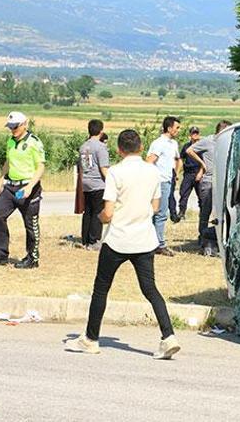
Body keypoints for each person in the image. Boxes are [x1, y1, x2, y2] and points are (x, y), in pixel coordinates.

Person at [65, 129, 181, 359]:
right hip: (145, 239)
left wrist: (100, 219)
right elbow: (156, 206)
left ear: (119, 149)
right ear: (140, 147)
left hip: (118, 239)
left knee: (101, 289)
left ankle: (90, 339)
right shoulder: (152, 171)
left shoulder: (116, 173)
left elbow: (107, 212)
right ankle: (168, 337)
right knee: (150, 289)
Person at [0, 112, 45, 269]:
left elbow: (41, 167)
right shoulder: (10, 141)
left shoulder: (34, 142)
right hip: (10, 187)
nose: (13, 130)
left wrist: (30, 187)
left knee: (30, 224)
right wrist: (0, 182)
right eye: (10, 127)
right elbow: (7, 163)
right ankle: (0, 254)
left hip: (28, 188)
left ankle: (32, 258)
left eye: (15, 127)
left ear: (25, 124)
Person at [187, 120, 231, 256]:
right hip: (209, 181)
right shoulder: (208, 141)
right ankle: (203, 240)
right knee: (205, 211)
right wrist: (203, 165)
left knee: (223, 211)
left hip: (223, 181)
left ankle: (220, 239)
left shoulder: (228, 142)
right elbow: (190, 150)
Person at [146, 116, 182, 256]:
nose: (178, 130)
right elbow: (149, 160)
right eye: (177, 127)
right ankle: (158, 245)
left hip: (167, 181)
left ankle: (155, 243)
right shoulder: (159, 143)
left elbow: (178, 160)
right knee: (159, 214)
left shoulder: (173, 144)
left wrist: (176, 173)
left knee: (160, 213)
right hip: (158, 182)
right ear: (169, 128)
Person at [79, 119, 110, 250]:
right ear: (101, 131)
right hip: (98, 183)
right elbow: (104, 168)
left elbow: (84, 166)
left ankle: (85, 239)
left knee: (88, 211)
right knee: (97, 212)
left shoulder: (84, 146)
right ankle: (94, 240)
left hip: (86, 182)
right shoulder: (100, 147)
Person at [176, 126, 203, 220]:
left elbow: (205, 162)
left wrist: (200, 173)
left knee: (202, 196)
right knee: (183, 194)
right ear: (190, 135)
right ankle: (182, 213)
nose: (195, 135)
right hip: (188, 173)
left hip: (199, 172)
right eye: (193, 133)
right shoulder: (186, 146)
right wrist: (177, 172)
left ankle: (203, 215)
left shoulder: (202, 146)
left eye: (197, 133)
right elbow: (180, 159)